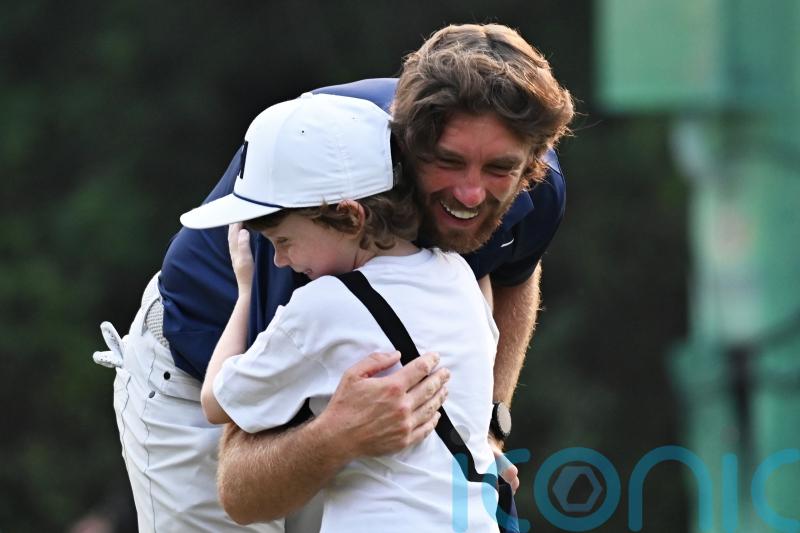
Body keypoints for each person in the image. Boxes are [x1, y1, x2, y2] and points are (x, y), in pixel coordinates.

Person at [95, 22, 572, 533]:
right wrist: (337, 434)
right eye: (449, 161)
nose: (472, 194)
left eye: (500, 168)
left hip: (352, 397)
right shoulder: (318, 231)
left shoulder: (536, 187)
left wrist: (487, 426)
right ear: (407, 149)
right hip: (205, 370)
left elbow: (511, 273)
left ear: (531, 164)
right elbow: (242, 486)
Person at [178, 91, 502, 531]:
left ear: (350, 218)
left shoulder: (323, 306)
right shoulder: (459, 275)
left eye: (284, 241)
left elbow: (216, 401)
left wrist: (246, 292)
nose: (280, 261)